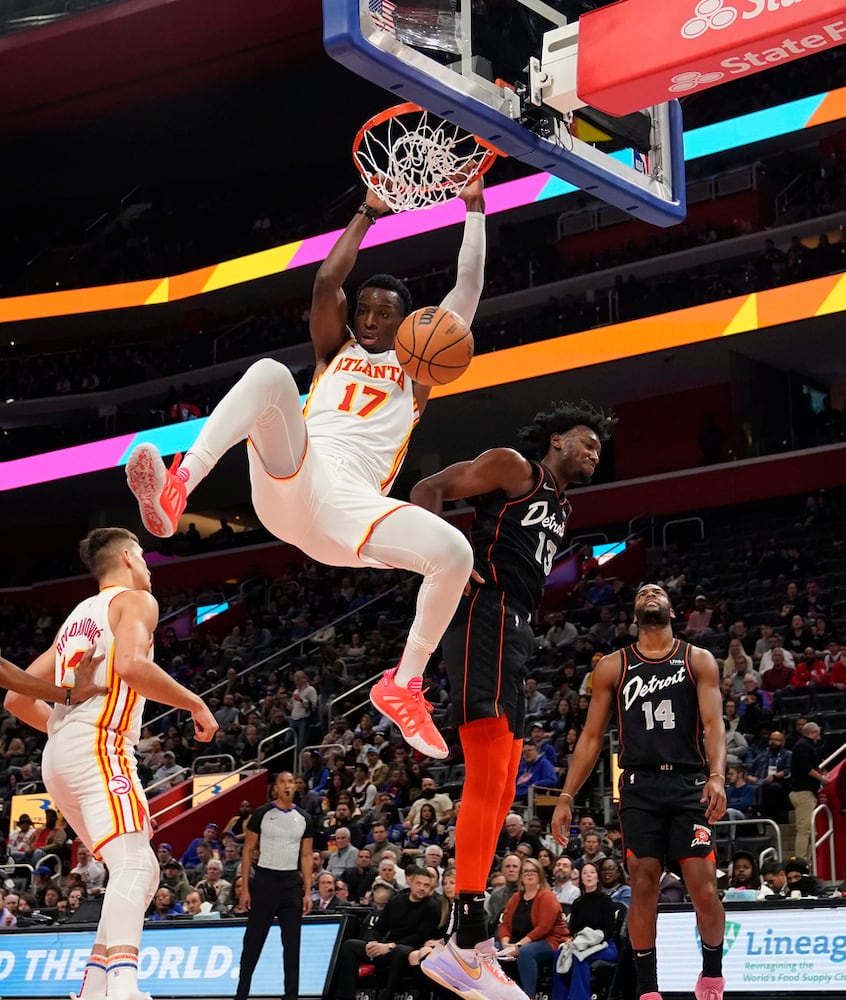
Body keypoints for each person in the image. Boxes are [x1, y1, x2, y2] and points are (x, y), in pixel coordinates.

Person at [126, 181, 487, 760]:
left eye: (384, 313)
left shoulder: (419, 367)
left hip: (353, 509)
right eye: (363, 310)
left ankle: (405, 684)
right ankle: (179, 488)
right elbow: (325, 283)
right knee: (271, 375)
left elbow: (467, 288)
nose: (369, 320)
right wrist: (367, 212)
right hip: (298, 476)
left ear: (406, 324)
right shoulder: (333, 352)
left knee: (455, 553)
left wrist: (473, 207)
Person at [412, 401, 612, 1000]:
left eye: (600, 449)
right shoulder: (515, 468)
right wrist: (446, 561)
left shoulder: (562, 506)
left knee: (503, 785)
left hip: (517, 629)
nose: (595, 453)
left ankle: (468, 944)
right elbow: (427, 489)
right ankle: (466, 936)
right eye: (586, 442)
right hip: (486, 614)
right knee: (486, 773)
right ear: (557, 440)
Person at [4, 527, 218, 1000]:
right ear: (126, 557)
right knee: (136, 867)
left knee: (139, 868)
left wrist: (67, 732)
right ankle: (122, 987)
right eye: (143, 554)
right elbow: (132, 667)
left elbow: (15, 699)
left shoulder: (76, 619)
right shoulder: (135, 601)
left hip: (59, 754)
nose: (148, 565)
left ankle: (96, 985)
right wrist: (195, 703)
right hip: (100, 744)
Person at [550, 583, 728, 1000]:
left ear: (672, 610)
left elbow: (713, 724)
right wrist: (566, 797)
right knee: (643, 883)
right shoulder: (613, 666)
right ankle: (648, 990)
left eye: (657, 592)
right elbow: (591, 737)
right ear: (633, 613)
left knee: (703, 886)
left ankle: (712, 976)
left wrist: (718, 776)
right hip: (639, 785)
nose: (650, 594)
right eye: (642, 592)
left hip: (689, 783)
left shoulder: (697, 659)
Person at [235, 771, 314, 1000]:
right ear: (275, 788)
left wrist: (307, 892)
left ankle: (291, 996)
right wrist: (245, 889)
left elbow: (306, 856)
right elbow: (248, 851)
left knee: (292, 946)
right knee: (253, 942)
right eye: (282, 782)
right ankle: (241, 995)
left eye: (291, 782)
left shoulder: (304, 818)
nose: (287, 785)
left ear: (295, 787)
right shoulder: (262, 813)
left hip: (291, 884)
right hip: (265, 882)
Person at [334, 864, 442, 1000]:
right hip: (386, 946)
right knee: (349, 945)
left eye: (426, 885)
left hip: (410, 949)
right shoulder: (396, 901)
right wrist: (373, 943)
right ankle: (346, 996)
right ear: (410, 882)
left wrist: (390, 946)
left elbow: (419, 937)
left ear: (431, 888)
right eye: (419, 883)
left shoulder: (433, 908)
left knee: (400, 951)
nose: (422, 888)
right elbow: (379, 927)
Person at [494, 857, 570, 1000]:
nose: (529, 874)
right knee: (493, 949)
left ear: (540, 875)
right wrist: (505, 945)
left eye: (533, 871)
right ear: (521, 876)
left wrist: (518, 945)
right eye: (526, 871)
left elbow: (543, 928)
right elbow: (505, 924)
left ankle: (529, 996)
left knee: (526, 952)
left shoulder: (547, 896)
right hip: (518, 941)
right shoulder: (515, 898)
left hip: (550, 940)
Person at [553, 861, 620, 1000]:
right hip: (580, 943)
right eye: (585, 873)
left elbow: (609, 930)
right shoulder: (577, 903)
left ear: (598, 877)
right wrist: (571, 939)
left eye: (592, 872)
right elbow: (573, 930)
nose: (588, 875)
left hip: (604, 945)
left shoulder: (606, 901)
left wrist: (589, 942)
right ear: (581, 878)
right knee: (559, 954)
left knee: (580, 956)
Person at [788, 722, 827, 861]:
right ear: (813, 733)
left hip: (807, 793)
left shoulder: (805, 745)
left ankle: (809, 861)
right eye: (818, 734)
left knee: (810, 830)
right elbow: (807, 768)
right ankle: (799, 862)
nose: (819, 737)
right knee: (804, 830)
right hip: (803, 793)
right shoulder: (803, 746)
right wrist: (822, 779)